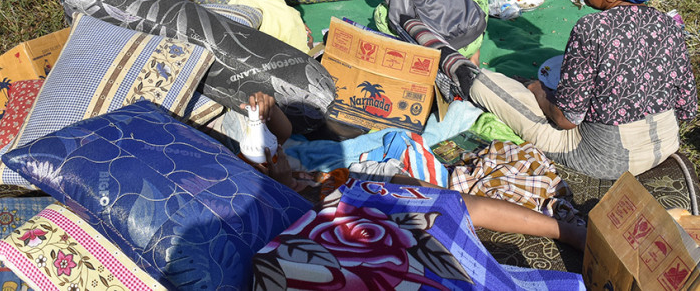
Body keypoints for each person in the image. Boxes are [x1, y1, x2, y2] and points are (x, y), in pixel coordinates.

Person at [468, 0, 697, 180]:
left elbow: (566, 119)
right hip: (666, 145)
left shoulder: (592, 28)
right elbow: (686, 108)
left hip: (608, 160)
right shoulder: (668, 25)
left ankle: (471, 76)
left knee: (483, 83)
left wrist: (537, 90)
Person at [242, 92, 586, 250]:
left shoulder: (295, 164)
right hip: (372, 196)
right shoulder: (299, 209)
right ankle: (564, 231)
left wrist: (269, 112)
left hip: (376, 171)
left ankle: (564, 231)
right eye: (267, 161)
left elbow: (285, 138)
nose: (277, 156)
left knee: (450, 199)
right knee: (448, 204)